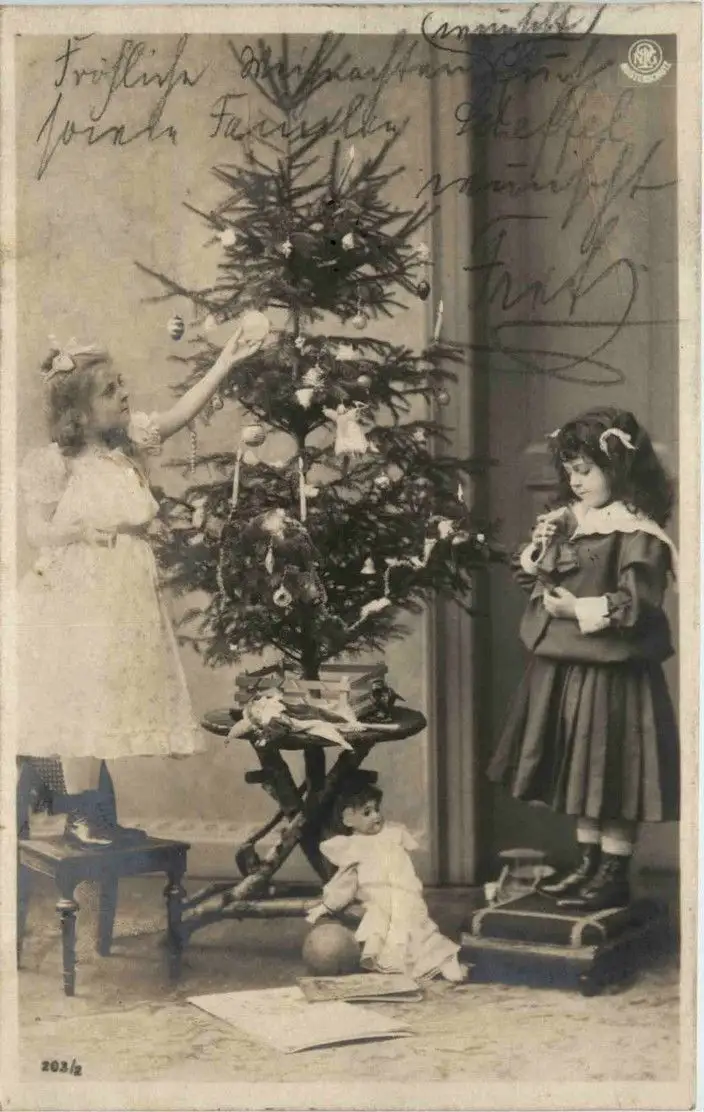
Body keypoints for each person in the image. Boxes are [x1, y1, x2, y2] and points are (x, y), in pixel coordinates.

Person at [17, 316, 268, 849]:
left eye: (121, 384)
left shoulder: (127, 445)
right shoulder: (58, 463)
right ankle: (81, 816)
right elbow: (37, 530)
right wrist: (80, 529)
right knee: (86, 699)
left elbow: (180, 413)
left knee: (108, 698)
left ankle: (97, 815)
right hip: (83, 592)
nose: (124, 393)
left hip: (126, 595)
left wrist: (225, 361)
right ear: (79, 414)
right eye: (110, 391)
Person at [488, 407, 679, 912]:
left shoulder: (638, 533)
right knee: (583, 770)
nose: (575, 481)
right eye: (570, 470)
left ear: (618, 468)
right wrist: (541, 549)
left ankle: (613, 872)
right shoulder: (576, 523)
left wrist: (577, 609)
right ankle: (589, 864)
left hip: (616, 675)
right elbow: (536, 578)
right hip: (570, 667)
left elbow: (638, 605)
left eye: (585, 470)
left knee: (612, 774)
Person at [306, 774, 467, 982]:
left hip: (406, 894)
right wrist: (327, 906)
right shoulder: (353, 847)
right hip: (380, 901)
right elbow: (346, 883)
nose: (376, 816)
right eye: (367, 813)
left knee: (420, 928)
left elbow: (414, 849)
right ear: (348, 819)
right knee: (385, 931)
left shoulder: (393, 834)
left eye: (376, 810)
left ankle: (444, 961)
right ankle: (400, 967)